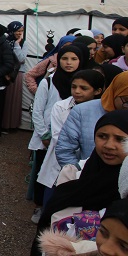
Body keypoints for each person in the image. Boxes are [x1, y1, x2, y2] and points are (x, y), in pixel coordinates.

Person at [31, 110, 128, 255]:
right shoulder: (74, 173)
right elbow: (49, 224)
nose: (109, 145)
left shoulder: (125, 189)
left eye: (120, 139)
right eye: (102, 136)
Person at [28, 44, 86, 221]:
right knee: (42, 173)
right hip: (46, 138)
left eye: (74, 59)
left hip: (72, 140)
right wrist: (45, 135)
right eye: (64, 58)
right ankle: (40, 207)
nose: (68, 63)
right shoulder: (49, 81)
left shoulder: (84, 84)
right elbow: (37, 110)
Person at [36, 70, 105, 216]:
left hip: (88, 168)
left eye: (84, 88)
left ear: (98, 91)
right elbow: (59, 137)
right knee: (56, 201)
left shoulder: (103, 112)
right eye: (74, 87)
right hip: (64, 162)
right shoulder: (61, 106)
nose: (77, 91)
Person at [56, 71, 128, 168]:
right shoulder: (82, 111)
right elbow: (64, 150)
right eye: (126, 101)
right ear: (115, 93)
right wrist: (78, 174)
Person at [2, 21, 27, 131]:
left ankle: (11, 125)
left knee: (14, 99)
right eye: (18, 31)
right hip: (5, 72)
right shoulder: (6, 41)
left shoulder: (23, 43)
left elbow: (21, 59)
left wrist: (17, 45)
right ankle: (3, 124)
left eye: (21, 31)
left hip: (17, 73)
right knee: (6, 99)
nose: (20, 33)